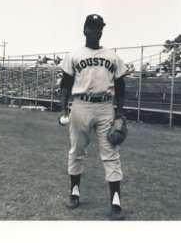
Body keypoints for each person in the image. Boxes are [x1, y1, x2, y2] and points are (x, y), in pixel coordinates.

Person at [59, 14, 127, 220]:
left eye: (99, 28)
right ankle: (74, 192)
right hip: (80, 105)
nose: (96, 31)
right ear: (85, 30)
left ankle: (115, 201)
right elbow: (66, 84)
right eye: (93, 27)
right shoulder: (74, 55)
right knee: (77, 150)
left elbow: (121, 85)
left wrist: (121, 111)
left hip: (106, 106)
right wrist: (64, 109)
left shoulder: (112, 56)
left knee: (111, 152)